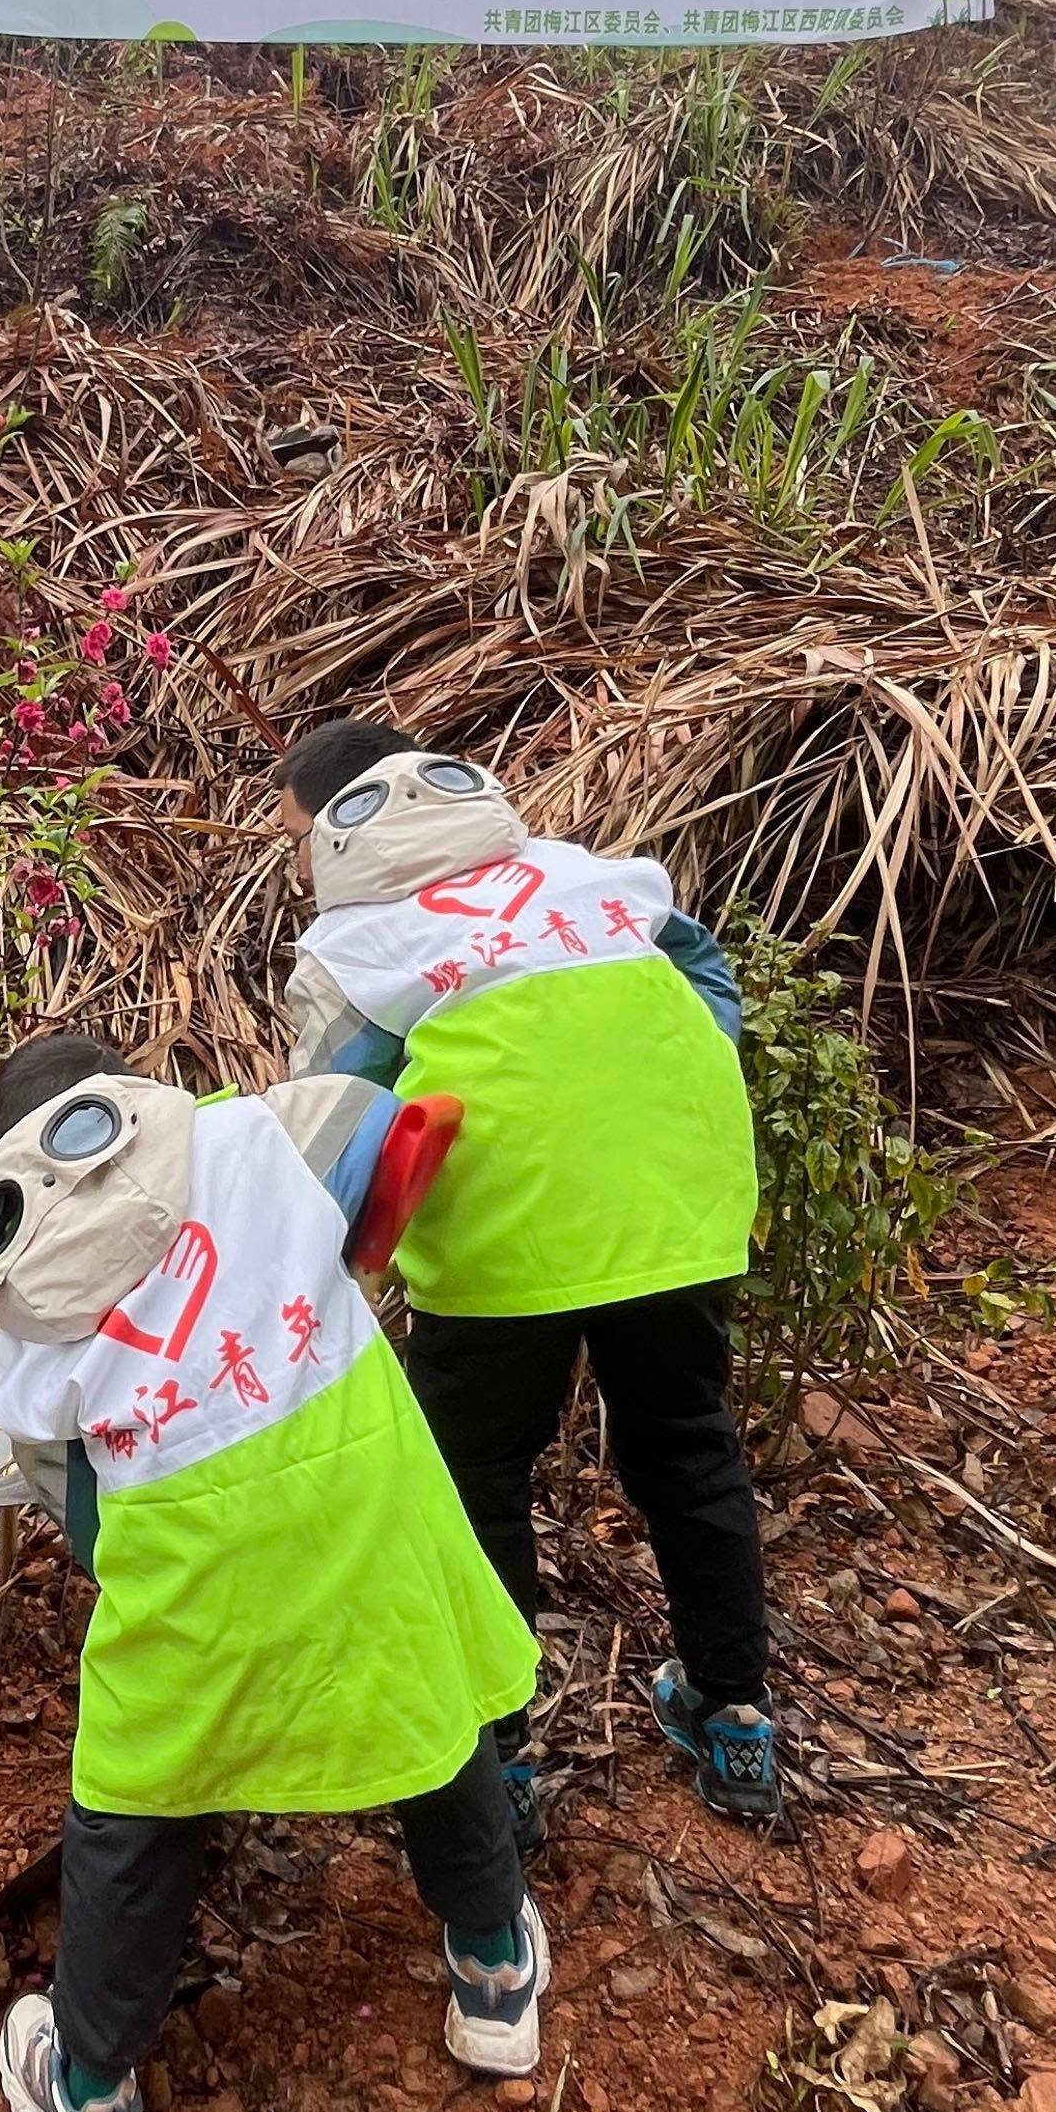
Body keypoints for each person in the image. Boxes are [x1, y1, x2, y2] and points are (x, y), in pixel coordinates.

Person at [0, 1030, 548, 2112]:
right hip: (366, 1516)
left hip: (193, 1579)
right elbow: (397, 1135)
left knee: (137, 1804)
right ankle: (491, 1975)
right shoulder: (254, 1134)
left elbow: (73, 1502)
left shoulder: (27, 1318)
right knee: (426, 1710)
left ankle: (93, 2098)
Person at [272, 719, 777, 1834]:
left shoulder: (360, 948)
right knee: (689, 1446)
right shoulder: (594, 879)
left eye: (301, 835)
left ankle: (497, 1759)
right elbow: (707, 984)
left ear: (349, 827)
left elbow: (331, 1116)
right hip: (679, 1202)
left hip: (506, 1243)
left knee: (476, 1477)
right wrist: (640, 1114)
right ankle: (734, 1717)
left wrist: (319, 1257)